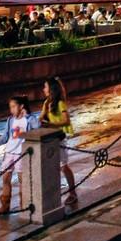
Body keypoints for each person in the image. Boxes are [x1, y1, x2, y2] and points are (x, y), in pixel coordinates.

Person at [0, 95, 38, 215]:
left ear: (21, 106)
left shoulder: (29, 119)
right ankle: (5, 206)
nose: (11, 110)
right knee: (5, 178)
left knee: (22, 180)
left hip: (21, 153)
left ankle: (23, 206)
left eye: (13, 106)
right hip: (9, 152)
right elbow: (6, 136)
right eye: (10, 107)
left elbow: (38, 128)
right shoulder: (10, 120)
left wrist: (27, 116)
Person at [40, 77, 78, 205]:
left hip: (59, 138)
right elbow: (41, 117)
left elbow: (66, 120)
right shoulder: (47, 103)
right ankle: (52, 195)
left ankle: (73, 193)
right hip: (50, 138)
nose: (43, 89)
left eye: (45, 87)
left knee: (63, 166)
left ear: (51, 89)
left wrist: (51, 124)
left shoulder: (60, 103)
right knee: (52, 167)